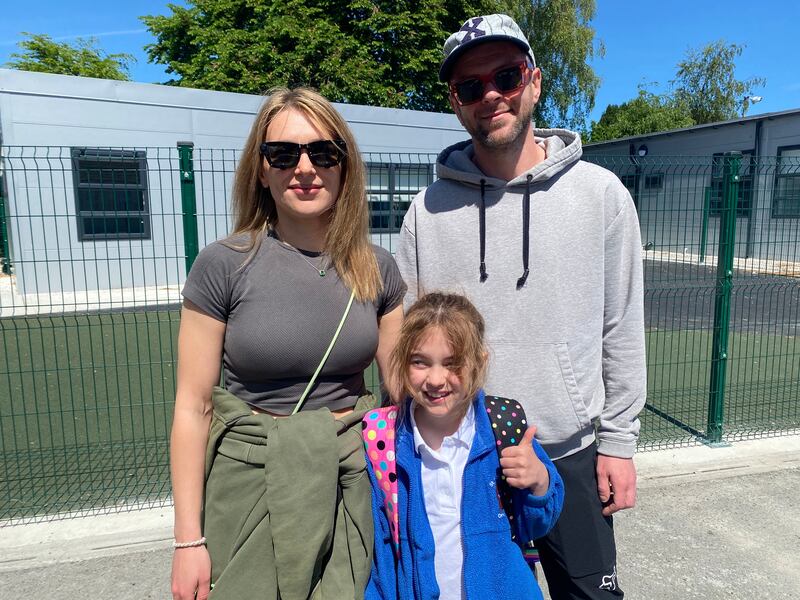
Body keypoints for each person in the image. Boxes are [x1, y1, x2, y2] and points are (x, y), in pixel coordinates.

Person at [395, 14, 647, 599]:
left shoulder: (601, 194)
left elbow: (622, 326)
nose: (490, 96)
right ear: (456, 103)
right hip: (464, 461)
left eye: (505, 77)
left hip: (573, 453)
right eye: (470, 87)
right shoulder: (425, 213)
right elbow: (407, 346)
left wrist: (619, 442)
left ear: (533, 82)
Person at [169, 87, 406, 600]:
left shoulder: (379, 269)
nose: (305, 168)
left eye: (323, 152)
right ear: (261, 169)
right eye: (283, 153)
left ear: (345, 166)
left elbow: (403, 396)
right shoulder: (222, 264)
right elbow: (193, 406)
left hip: (350, 481)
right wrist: (189, 541)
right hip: (251, 481)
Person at [364, 292, 564, 600]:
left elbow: (536, 526)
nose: (435, 378)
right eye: (420, 362)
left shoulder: (503, 427)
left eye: (452, 363)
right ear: (402, 361)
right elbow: (377, 550)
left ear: (479, 362)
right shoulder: (381, 437)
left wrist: (539, 482)